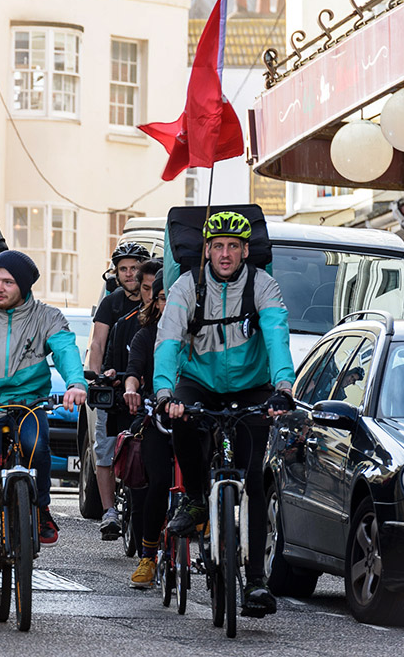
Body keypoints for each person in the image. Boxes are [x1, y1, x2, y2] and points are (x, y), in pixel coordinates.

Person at [155, 210, 295, 616]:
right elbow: (167, 340)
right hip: (199, 381)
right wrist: (165, 392)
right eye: (218, 246)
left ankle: (254, 583)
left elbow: (277, 336)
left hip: (252, 386)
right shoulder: (187, 286)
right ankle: (197, 498)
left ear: (246, 250)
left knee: (252, 479)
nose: (226, 254)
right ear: (207, 251)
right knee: (179, 417)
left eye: (234, 246)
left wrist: (283, 387)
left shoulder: (263, 286)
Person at [0, 250, 87, 587]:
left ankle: (40, 509)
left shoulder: (46, 316)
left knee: (35, 444)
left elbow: (66, 350)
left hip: (27, 403)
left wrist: (76, 383)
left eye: (7, 282)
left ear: (23, 287)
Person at [88, 241, 150, 540]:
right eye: (123, 268)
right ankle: (109, 511)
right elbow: (98, 343)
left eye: (134, 268)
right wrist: (97, 376)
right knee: (105, 449)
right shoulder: (110, 303)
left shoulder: (154, 300)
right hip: (114, 386)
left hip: (146, 385)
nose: (129, 274)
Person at [120, 270, 172, 589]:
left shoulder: (201, 334)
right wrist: (131, 389)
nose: (169, 303)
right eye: (164, 297)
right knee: (159, 483)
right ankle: (148, 557)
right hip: (159, 419)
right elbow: (134, 372)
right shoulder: (146, 335)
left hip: (196, 418)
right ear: (157, 301)